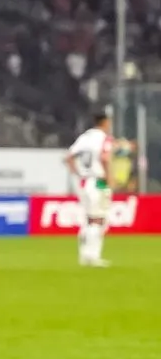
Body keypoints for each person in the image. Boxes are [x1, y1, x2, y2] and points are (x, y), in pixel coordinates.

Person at [65, 112, 113, 267]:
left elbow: (69, 157)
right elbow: (105, 158)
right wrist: (109, 177)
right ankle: (93, 256)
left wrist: (77, 173)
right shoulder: (104, 138)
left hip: (84, 182)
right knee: (98, 219)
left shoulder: (85, 137)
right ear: (105, 122)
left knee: (88, 219)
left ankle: (85, 255)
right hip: (98, 181)